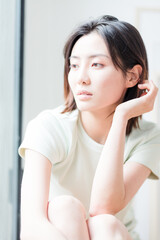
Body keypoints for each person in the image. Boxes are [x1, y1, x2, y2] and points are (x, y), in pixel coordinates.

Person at [19, 15, 160, 240]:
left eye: (96, 64)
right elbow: (31, 224)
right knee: (63, 208)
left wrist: (121, 116)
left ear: (132, 76)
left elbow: (103, 207)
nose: (80, 78)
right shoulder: (48, 126)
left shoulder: (148, 137)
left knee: (103, 224)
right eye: (74, 65)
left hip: (113, 235)